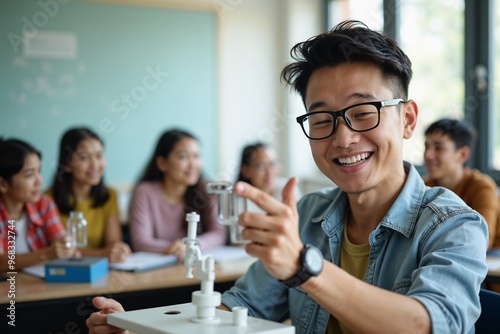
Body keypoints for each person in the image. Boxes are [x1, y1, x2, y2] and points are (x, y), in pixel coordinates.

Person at [87, 20, 488, 334]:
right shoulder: (307, 215)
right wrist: (139, 328)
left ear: (408, 119)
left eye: (364, 112)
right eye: (321, 118)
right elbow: (237, 309)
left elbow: (427, 325)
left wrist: (305, 268)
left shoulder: (455, 225)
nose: (343, 138)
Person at [129, 129, 226, 258]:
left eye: (196, 156)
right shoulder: (145, 192)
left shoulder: (206, 189)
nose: (192, 164)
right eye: (183, 157)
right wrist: (175, 248)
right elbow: (140, 242)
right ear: (162, 163)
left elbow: (218, 234)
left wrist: (191, 246)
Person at [46, 127, 131, 263]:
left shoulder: (110, 195)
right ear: (67, 164)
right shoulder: (46, 200)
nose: (95, 165)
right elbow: (63, 251)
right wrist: (101, 253)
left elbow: (113, 242)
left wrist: (117, 250)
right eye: (84, 157)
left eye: (99, 156)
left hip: (101, 270)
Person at [0, 138, 77, 271]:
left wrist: (66, 249)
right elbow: (1, 262)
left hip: (39, 288)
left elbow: (60, 243)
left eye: (39, 171)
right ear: (3, 184)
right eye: (29, 175)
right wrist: (47, 254)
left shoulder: (44, 204)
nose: (39, 182)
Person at [423, 118, 499, 250]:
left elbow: (483, 237)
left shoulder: (482, 186)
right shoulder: (424, 186)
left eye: (439, 148)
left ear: (463, 154)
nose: (428, 155)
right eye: (427, 146)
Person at [236, 142, 302, 213]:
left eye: (273, 164)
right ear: (245, 170)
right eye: (261, 166)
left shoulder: (288, 188)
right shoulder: (236, 202)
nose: (269, 172)